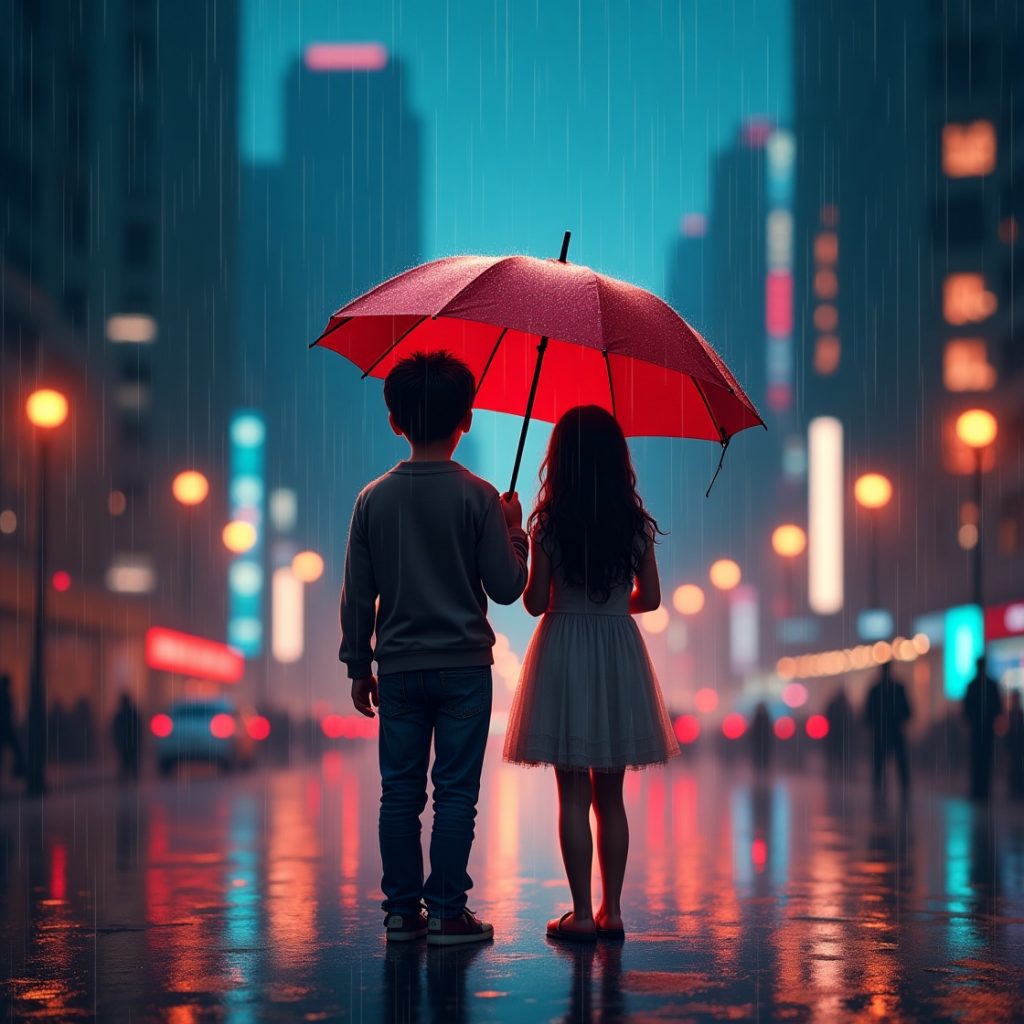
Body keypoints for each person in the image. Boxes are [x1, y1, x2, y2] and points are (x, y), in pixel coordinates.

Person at [341, 350, 528, 946]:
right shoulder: (479, 498)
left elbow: (358, 594)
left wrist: (357, 664)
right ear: (466, 419)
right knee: (455, 795)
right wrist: (513, 531)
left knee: (399, 792)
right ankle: (448, 911)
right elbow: (505, 587)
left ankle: (400, 912)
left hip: (398, 668)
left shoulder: (373, 499)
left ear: (395, 421)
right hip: (465, 668)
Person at [504, 405, 680, 942]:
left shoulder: (549, 525)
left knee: (573, 796)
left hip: (563, 651)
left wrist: (515, 531)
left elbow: (533, 604)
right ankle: (613, 911)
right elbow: (649, 598)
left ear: (558, 460)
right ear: (617, 460)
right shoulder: (634, 527)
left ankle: (579, 913)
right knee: (612, 797)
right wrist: (609, 607)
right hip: (616, 652)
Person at [863, 662, 912, 799]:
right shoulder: (896, 688)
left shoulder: (877, 690)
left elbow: (868, 712)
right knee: (891, 760)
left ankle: (888, 786)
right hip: (890, 730)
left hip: (886, 731)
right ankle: (899, 786)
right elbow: (907, 709)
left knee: (885, 761)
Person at [962, 656, 1003, 801]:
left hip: (977, 729)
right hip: (986, 729)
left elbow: (966, 709)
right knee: (985, 760)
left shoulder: (972, 686)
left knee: (977, 760)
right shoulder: (991, 685)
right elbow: (998, 707)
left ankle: (977, 789)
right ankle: (984, 789)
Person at [824, 687, 854, 780]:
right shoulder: (846, 705)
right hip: (841, 734)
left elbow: (827, 717)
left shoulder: (834, 705)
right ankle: (840, 773)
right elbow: (850, 719)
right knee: (841, 755)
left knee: (835, 754)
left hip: (835, 734)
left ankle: (833, 772)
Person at [0, 674, 25, 780]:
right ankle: (19, 769)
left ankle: (19, 769)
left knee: (16, 749)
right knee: (17, 749)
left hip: (4, 728)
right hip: (5, 728)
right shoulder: (4, 695)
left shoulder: (4, 695)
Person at [111, 693, 141, 779]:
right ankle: (131, 776)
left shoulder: (121, 714)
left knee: (125, 761)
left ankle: (126, 777)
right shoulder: (133, 713)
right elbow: (138, 727)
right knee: (130, 761)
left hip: (125, 741)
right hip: (130, 741)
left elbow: (115, 728)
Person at [1006, 690, 1024, 800]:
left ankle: (1016, 788)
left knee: (1016, 766)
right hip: (1016, 744)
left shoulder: (1015, 713)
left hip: (1016, 744)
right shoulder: (1016, 713)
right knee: (1016, 766)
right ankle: (1017, 788)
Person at [749, 702, 773, 775]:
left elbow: (753, 730)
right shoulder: (765, 717)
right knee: (763, 756)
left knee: (759, 756)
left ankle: (760, 770)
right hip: (764, 741)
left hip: (759, 741)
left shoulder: (757, 717)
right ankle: (763, 769)